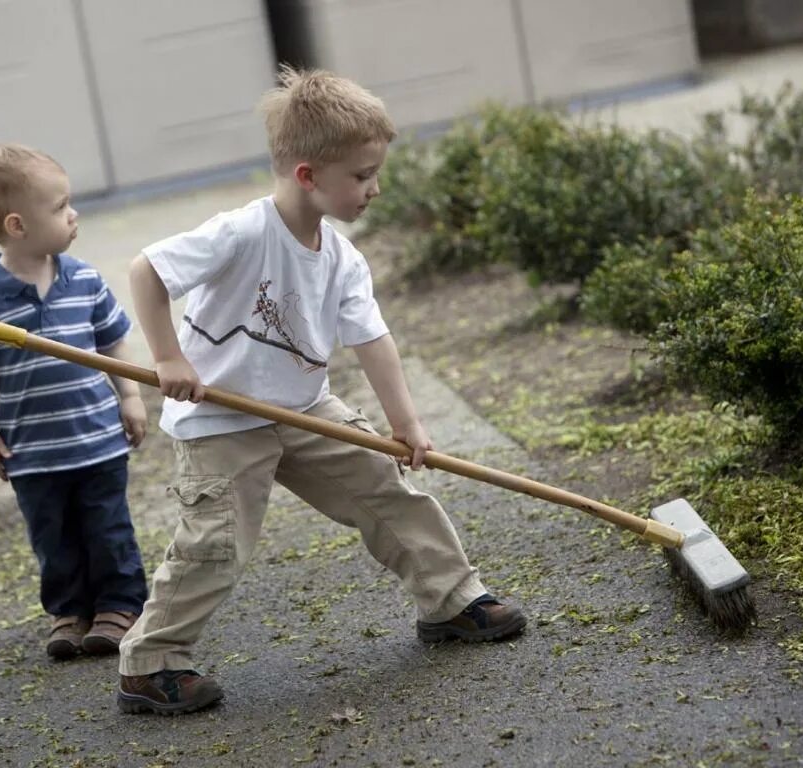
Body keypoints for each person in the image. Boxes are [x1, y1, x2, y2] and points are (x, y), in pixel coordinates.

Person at [117, 68, 526, 715]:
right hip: (221, 418)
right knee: (214, 547)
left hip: (305, 409)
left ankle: (450, 599)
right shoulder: (244, 232)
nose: (374, 187)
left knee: (386, 488)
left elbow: (374, 341)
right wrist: (166, 354)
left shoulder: (341, 257)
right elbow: (148, 269)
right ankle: (151, 662)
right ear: (308, 175)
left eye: (374, 172)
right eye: (362, 175)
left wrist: (406, 427)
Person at [0, 143, 149, 660]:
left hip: (96, 439)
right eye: (60, 207)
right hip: (32, 452)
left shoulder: (83, 279)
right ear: (18, 225)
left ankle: (119, 606)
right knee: (52, 535)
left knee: (108, 527)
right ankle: (69, 611)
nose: (72, 214)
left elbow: (111, 341)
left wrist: (130, 396)